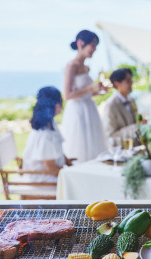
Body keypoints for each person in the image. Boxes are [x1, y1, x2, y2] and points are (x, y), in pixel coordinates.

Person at [61, 30, 106, 163]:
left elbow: (87, 93)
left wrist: (98, 90)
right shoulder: (71, 67)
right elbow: (67, 95)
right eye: (92, 46)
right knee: (79, 147)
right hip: (77, 112)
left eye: (95, 46)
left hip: (90, 110)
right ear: (81, 43)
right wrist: (90, 88)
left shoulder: (87, 68)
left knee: (94, 145)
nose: (94, 49)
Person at [23, 86, 73, 182]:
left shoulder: (50, 123)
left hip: (51, 172)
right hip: (44, 177)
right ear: (56, 105)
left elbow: (57, 150)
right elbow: (51, 168)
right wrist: (71, 173)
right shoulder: (45, 135)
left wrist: (68, 162)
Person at [102, 68, 137, 140]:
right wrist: (135, 127)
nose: (131, 83)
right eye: (128, 80)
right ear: (116, 83)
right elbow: (110, 136)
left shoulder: (131, 99)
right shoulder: (110, 105)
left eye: (131, 79)